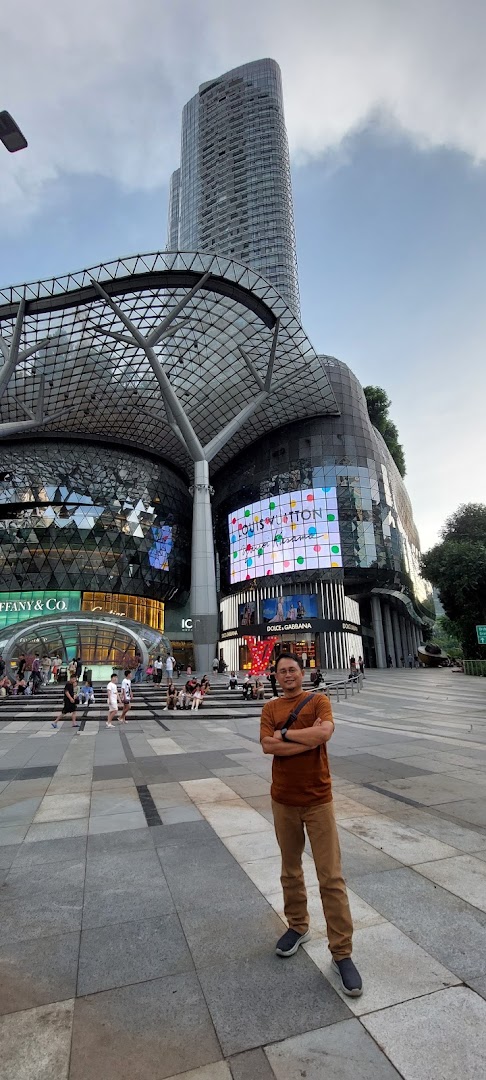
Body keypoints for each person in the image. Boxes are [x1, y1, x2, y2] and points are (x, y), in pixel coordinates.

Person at [260, 652, 362, 998]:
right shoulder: (270, 708)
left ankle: (342, 952)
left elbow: (325, 735)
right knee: (290, 870)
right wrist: (304, 736)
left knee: (330, 876)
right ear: (275, 676)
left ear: (302, 674)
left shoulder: (319, 700)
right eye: (281, 671)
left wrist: (285, 736)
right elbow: (266, 745)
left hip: (318, 800)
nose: (287, 675)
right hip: (283, 801)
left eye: (292, 670)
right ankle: (298, 926)